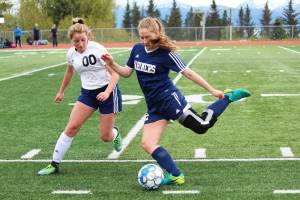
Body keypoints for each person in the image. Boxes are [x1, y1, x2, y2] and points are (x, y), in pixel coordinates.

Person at [101, 17, 250, 186]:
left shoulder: (167, 53)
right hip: (154, 106)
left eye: (148, 37)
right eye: (141, 37)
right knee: (147, 144)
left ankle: (228, 97)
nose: (144, 41)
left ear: (157, 34)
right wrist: (112, 63)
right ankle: (176, 175)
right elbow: (127, 72)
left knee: (201, 127)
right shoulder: (137, 49)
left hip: (170, 100)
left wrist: (212, 90)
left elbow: (188, 73)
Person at [38, 18, 123, 175]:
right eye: (76, 41)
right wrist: (61, 91)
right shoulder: (70, 54)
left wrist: (107, 92)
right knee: (72, 127)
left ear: (88, 37)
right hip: (87, 94)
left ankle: (115, 133)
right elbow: (69, 72)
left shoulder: (98, 50)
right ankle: (54, 164)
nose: (80, 44)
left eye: (83, 40)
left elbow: (115, 75)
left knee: (105, 136)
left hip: (108, 92)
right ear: (72, 41)